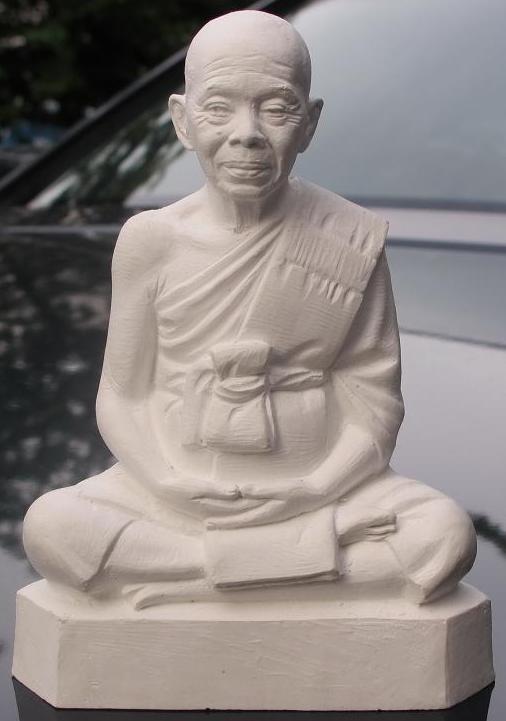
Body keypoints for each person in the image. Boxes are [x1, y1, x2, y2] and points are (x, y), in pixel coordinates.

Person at [23, 10, 476, 608]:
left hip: (319, 495)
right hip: (177, 496)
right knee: (51, 526)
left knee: (444, 535)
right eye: (219, 108)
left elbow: (375, 400)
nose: (248, 134)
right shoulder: (151, 240)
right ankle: (274, 566)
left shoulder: (348, 238)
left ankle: (193, 576)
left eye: (278, 109)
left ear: (310, 123)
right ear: (182, 120)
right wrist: (165, 481)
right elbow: (122, 394)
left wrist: (314, 488)